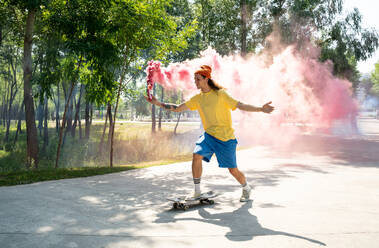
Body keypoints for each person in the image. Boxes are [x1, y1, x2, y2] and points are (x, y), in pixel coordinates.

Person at [145, 65, 274, 202]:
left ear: (206, 79)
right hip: (209, 136)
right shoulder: (198, 98)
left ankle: (246, 187)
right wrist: (158, 103)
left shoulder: (221, 94)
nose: (196, 82)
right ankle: (197, 191)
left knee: (233, 170)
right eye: (195, 79)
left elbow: (240, 105)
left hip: (225, 138)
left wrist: (261, 109)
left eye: (198, 79)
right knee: (196, 156)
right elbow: (178, 108)